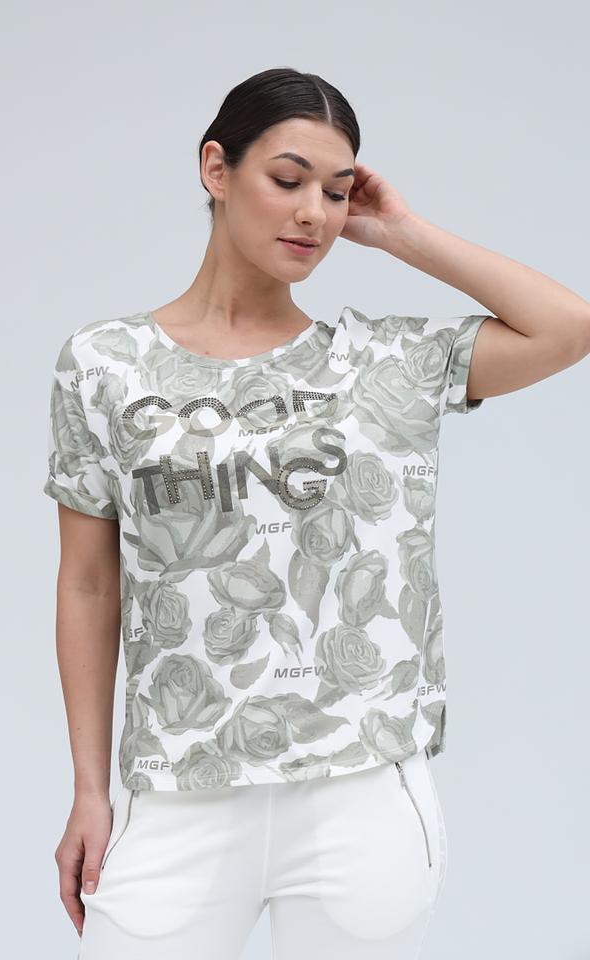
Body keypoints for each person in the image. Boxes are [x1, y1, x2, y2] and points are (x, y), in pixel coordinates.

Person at [44, 67, 590, 960]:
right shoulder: (104, 364)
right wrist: (90, 790)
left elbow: (566, 327)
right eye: (288, 179)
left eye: (336, 193)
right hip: (179, 789)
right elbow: (90, 583)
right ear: (216, 169)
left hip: (361, 794)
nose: (315, 214)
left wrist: (402, 232)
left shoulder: (383, 365)